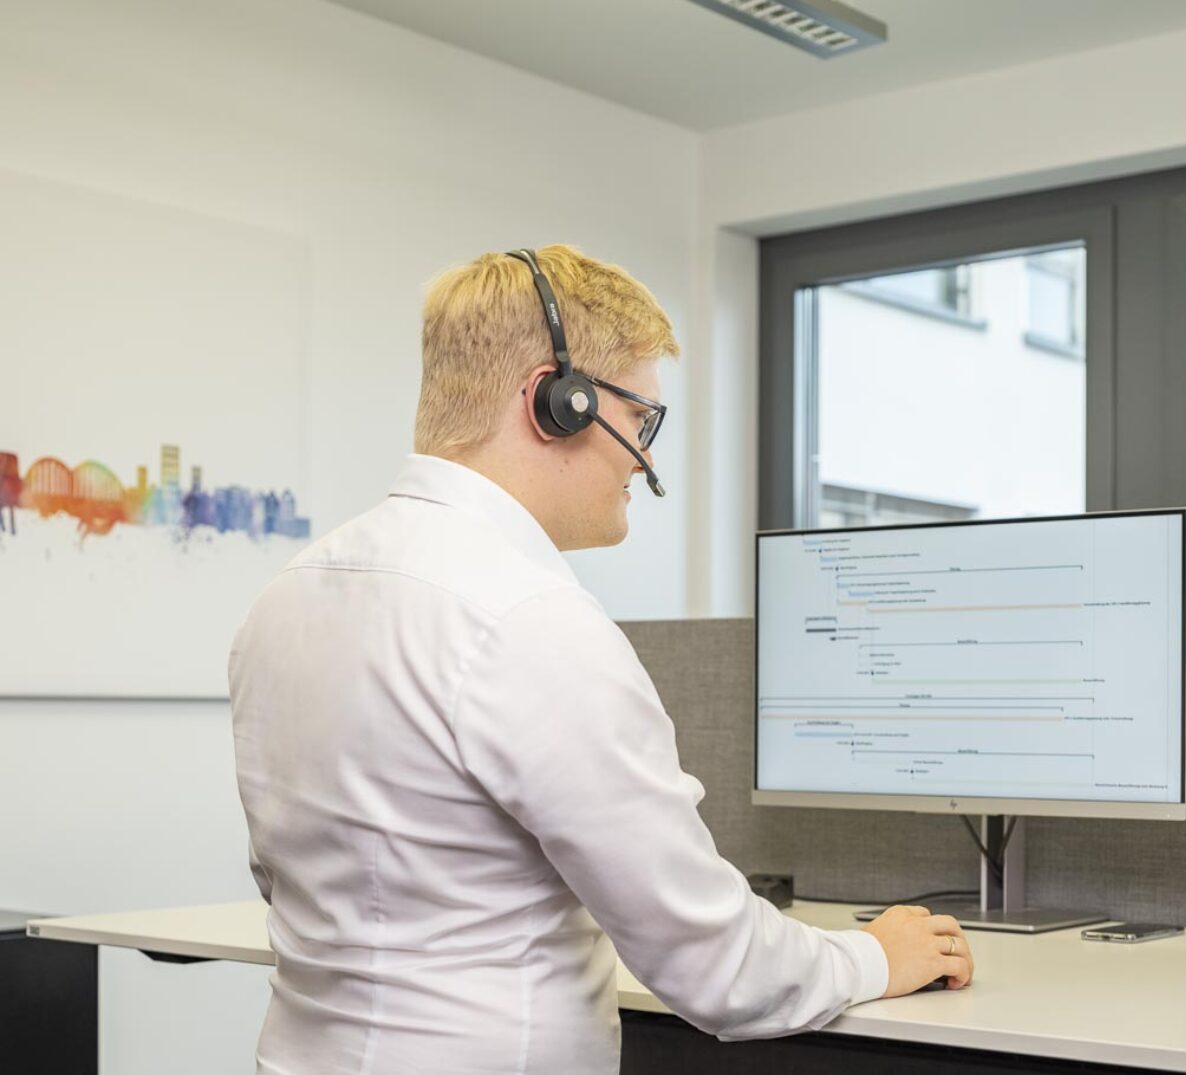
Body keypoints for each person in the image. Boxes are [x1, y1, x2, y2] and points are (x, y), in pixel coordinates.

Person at [230, 246, 974, 1075]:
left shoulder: (286, 598)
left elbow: (299, 881)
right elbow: (720, 967)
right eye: (642, 418)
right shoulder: (531, 621)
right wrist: (878, 953)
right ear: (556, 400)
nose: (642, 459)